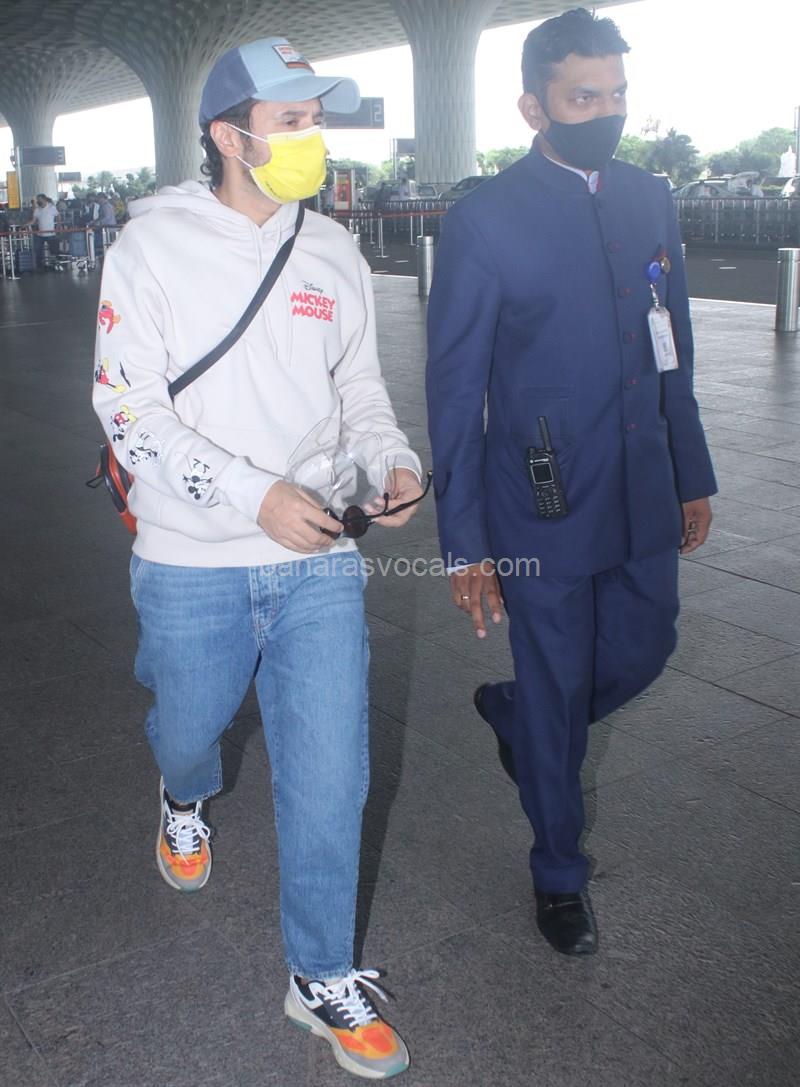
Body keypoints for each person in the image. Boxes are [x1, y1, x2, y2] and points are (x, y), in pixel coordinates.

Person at [91, 35, 424, 1079]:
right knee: (191, 728)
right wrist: (252, 495)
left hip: (318, 553)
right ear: (230, 136)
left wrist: (392, 458)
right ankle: (183, 792)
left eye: (316, 119)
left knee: (331, 775)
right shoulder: (151, 246)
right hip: (192, 560)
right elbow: (127, 411)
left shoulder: (330, 249)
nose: (313, 139)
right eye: (292, 122)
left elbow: (358, 387)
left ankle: (319, 974)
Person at [426, 8, 716, 957]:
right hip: (540, 498)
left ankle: (520, 717)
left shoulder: (649, 198)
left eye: (617, 94)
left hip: (642, 484)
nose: (607, 112)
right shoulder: (484, 219)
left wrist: (691, 471)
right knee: (559, 687)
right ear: (533, 107)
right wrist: (465, 542)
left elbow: (673, 346)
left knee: (645, 645)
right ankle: (558, 872)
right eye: (584, 96)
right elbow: (455, 390)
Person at [25, 194, 59, 270]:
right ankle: (40, 266)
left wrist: (58, 227)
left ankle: (54, 264)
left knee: (53, 250)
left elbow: (58, 216)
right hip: (40, 234)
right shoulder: (37, 210)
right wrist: (25, 225)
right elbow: (33, 221)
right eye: (38, 200)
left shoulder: (52, 207)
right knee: (37, 250)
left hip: (51, 233)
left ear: (44, 199)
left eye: (39, 199)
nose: (38, 201)